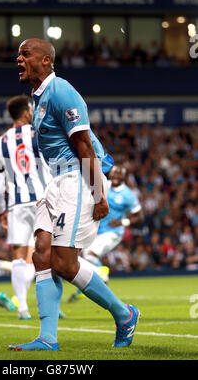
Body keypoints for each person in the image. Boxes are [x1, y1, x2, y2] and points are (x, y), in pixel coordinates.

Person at [8, 38, 140, 351]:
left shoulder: (61, 91)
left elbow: (83, 146)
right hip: (56, 182)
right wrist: (48, 190)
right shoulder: (38, 98)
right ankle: (47, 338)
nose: (19, 59)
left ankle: (124, 315)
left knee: (65, 263)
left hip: (78, 180)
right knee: (41, 253)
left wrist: (99, 194)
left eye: (25, 54)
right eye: (18, 55)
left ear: (45, 61)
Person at [0, 94, 52, 320]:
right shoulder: (39, 135)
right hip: (42, 200)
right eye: (31, 109)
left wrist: (1, 210)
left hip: (16, 203)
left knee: (18, 256)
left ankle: (22, 308)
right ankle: (49, 305)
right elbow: (50, 166)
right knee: (47, 251)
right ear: (26, 113)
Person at [67, 164, 144, 301]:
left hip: (113, 232)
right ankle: (93, 280)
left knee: (89, 255)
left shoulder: (127, 195)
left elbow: (139, 215)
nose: (116, 176)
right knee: (84, 255)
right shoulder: (104, 184)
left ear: (124, 177)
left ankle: (101, 274)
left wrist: (123, 222)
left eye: (119, 174)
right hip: (97, 229)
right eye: (114, 173)